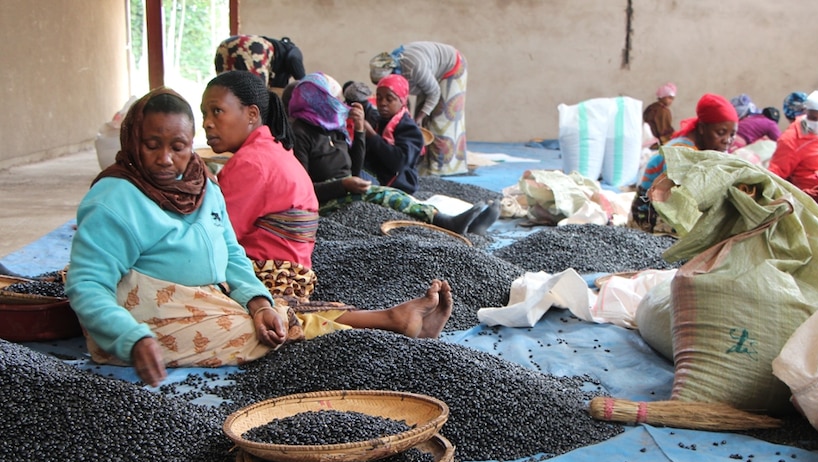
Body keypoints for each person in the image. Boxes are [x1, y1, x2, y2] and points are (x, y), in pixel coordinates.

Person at [65, 87, 455, 388]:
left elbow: (231, 252)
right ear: (133, 141)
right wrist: (130, 337)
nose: (166, 159)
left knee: (276, 312)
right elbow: (88, 283)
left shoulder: (201, 184)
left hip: (208, 295)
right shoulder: (114, 200)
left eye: (178, 147)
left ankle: (392, 324)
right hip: (146, 314)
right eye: (152, 146)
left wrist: (256, 301)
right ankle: (389, 329)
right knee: (274, 335)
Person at [289, 73, 498, 236]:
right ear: (318, 100)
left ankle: (454, 223)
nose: (339, 104)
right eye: (334, 99)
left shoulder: (333, 127)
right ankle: (446, 222)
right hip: (324, 202)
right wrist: (342, 185)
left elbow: (353, 168)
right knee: (388, 196)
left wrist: (361, 131)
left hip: (352, 188)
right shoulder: (300, 133)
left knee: (396, 200)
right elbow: (303, 192)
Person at [202, 70, 318, 300]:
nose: (207, 123)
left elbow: (217, 236)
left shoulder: (251, 163)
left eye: (217, 111)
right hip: (297, 274)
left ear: (252, 114)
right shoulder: (271, 151)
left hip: (270, 278)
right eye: (204, 113)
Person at [629, 93, 738, 234]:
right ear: (702, 128)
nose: (727, 140)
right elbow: (681, 201)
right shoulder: (680, 153)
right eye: (721, 132)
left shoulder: (708, 150)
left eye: (732, 134)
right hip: (646, 221)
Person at [369, 41, 468, 176]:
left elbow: (434, 92)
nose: (383, 103)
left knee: (440, 121)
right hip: (429, 72)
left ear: (392, 73)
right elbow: (401, 101)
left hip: (451, 68)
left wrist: (420, 117)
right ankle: (424, 166)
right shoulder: (397, 70)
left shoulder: (415, 68)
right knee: (420, 123)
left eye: (388, 98)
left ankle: (442, 169)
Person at [214, 35, 305, 89]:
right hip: (252, 46)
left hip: (226, 45)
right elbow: (293, 58)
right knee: (257, 96)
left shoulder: (278, 56)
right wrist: (304, 81)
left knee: (227, 92)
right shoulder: (293, 50)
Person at [642, 82, 677, 148]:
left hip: (647, 141)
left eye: (672, 99)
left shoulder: (651, 108)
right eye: (669, 98)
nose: (671, 101)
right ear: (662, 97)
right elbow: (664, 130)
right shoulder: (663, 111)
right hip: (657, 144)